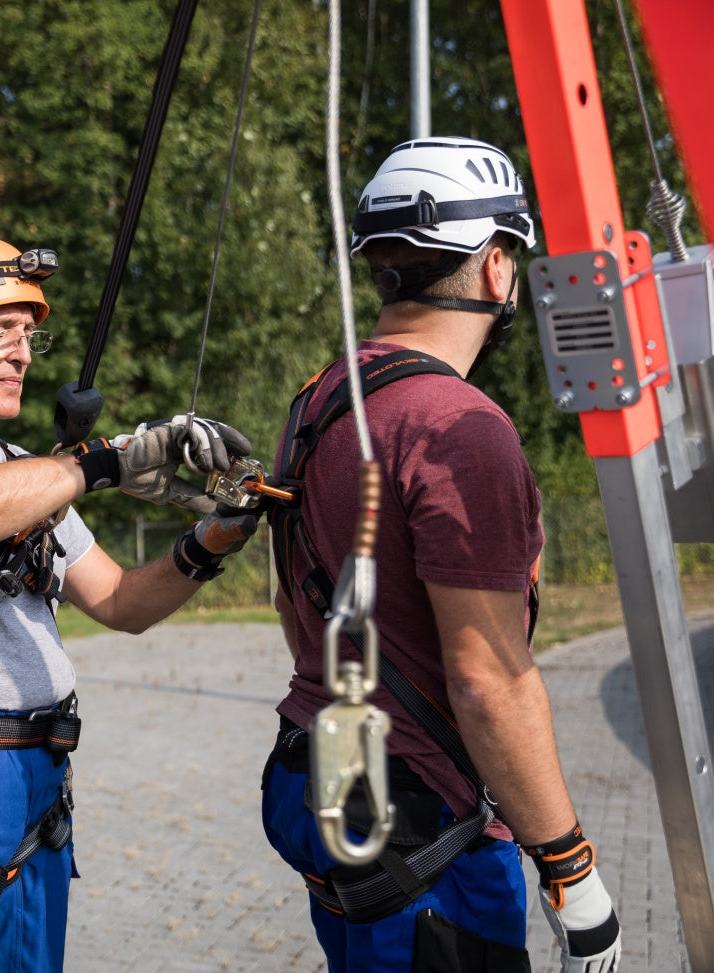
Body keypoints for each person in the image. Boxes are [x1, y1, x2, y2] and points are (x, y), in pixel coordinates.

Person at [0, 233, 260, 972]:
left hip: (40, 793)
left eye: (29, 336)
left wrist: (213, 539)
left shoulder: (30, 474)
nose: (22, 355)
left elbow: (120, 601)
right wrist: (98, 463)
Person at [262, 137, 621, 972]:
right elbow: (489, 680)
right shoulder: (461, 430)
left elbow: (291, 599)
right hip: (424, 825)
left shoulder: (320, 399)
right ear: (497, 267)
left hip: (319, 774)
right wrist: (569, 867)